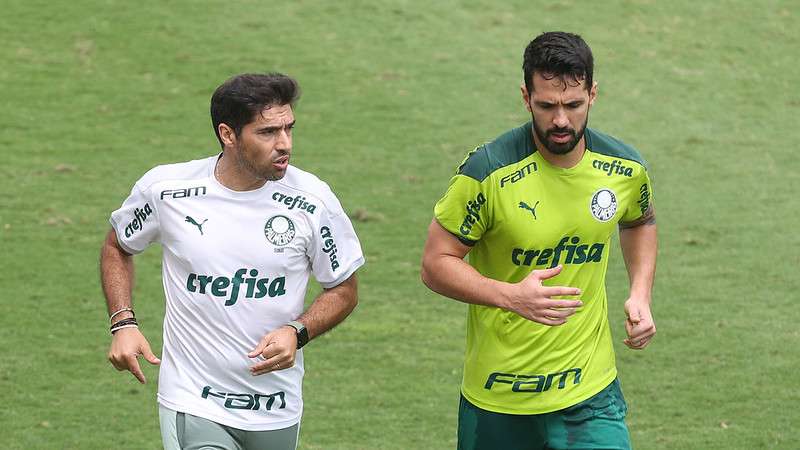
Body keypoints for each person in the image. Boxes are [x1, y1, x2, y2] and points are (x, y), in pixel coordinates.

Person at [100, 73, 364, 450]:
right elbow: (117, 245)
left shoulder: (313, 201)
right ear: (228, 134)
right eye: (268, 132)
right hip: (194, 400)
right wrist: (122, 322)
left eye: (289, 128)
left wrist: (297, 332)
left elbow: (344, 289)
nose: (284, 144)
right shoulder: (167, 191)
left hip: (276, 406)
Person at [421, 32, 657, 450]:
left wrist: (640, 293)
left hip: (590, 393)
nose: (561, 120)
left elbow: (638, 221)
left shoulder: (624, 168)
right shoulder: (487, 171)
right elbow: (436, 263)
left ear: (593, 94)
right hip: (500, 398)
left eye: (573, 104)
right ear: (526, 97)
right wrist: (511, 296)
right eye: (547, 105)